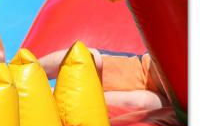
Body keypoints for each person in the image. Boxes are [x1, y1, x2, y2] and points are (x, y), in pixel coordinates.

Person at [38, 47, 171, 111]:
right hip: (145, 70)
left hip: (170, 103)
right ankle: (25, 70)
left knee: (142, 103)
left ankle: (51, 96)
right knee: (82, 58)